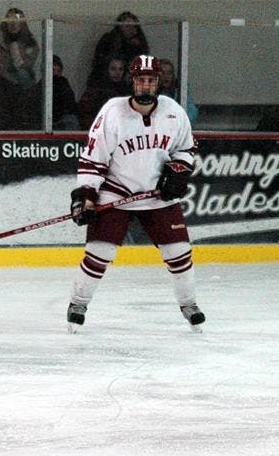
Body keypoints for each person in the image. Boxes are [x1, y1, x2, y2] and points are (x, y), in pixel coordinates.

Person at [66, 54, 205, 333]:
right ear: (133, 82)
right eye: (140, 80)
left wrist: (179, 170)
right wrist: (87, 195)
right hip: (117, 193)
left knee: (180, 253)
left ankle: (189, 303)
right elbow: (94, 157)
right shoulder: (112, 111)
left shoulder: (173, 111)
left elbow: (186, 148)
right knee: (98, 253)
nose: (145, 85)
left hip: (157, 196)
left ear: (158, 82)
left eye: (151, 80)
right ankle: (78, 303)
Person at [88, 11, 149, 88]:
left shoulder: (138, 44)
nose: (131, 29)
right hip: (104, 83)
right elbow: (100, 62)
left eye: (134, 26)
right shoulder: (108, 40)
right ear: (120, 27)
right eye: (127, 26)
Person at [77, 55, 130, 130]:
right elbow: (85, 114)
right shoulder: (94, 90)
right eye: (113, 69)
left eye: (121, 69)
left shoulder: (126, 91)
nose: (117, 73)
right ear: (106, 70)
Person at [0, 8, 40, 89]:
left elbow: (27, 66)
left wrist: (17, 50)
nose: (13, 23)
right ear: (5, 23)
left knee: (23, 73)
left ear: (22, 23)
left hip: (23, 81)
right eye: (9, 19)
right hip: (3, 79)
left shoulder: (31, 42)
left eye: (16, 19)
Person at [52, 54, 79, 130]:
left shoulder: (64, 86)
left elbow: (70, 107)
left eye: (58, 71)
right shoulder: (39, 88)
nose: (56, 73)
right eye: (53, 70)